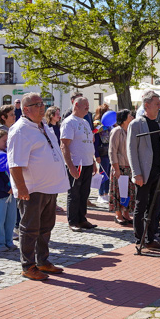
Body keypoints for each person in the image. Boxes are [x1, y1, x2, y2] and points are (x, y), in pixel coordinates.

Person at [8, 93, 71, 280]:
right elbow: (15, 163)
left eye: (43, 104)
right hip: (33, 188)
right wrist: (21, 187)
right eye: (37, 104)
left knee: (46, 226)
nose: (42, 107)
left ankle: (42, 261)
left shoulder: (43, 126)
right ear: (26, 109)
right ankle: (28, 266)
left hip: (50, 186)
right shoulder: (20, 130)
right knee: (30, 228)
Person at [126, 90, 160, 251]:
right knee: (142, 205)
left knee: (156, 206)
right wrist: (136, 173)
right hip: (144, 173)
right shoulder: (137, 124)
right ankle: (140, 238)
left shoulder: (159, 124)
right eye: (157, 104)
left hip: (159, 172)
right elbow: (131, 149)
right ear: (147, 105)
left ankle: (151, 237)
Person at [60, 97, 97, 231]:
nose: (88, 108)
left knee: (84, 192)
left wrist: (92, 161)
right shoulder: (69, 122)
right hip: (76, 163)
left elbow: (88, 143)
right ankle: (73, 221)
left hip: (87, 162)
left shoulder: (86, 122)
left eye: (88, 105)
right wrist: (70, 165)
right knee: (74, 193)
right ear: (76, 105)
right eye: (85, 106)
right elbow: (64, 145)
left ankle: (82, 218)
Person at [108, 109, 135, 226]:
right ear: (124, 118)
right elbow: (112, 150)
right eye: (130, 115)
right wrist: (116, 168)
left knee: (128, 191)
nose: (132, 117)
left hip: (129, 166)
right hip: (120, 166)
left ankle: (126, 213)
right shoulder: (117, 131)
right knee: (119, 191)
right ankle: (118, 214)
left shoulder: (130, 131)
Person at [93, 104, 112, 205]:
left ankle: (106, 192)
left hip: (109, 150)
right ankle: (101, 193)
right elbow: (95, 140)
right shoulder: (97, 124)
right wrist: (96, 155)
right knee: (103, 173)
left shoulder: (110, 124)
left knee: (108, 173)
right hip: (102, 151)